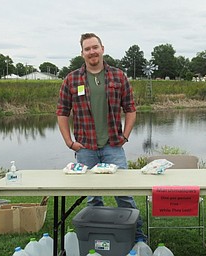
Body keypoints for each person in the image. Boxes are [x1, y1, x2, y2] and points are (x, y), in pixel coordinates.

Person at [56, 33, 146, 242]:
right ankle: (97, 237)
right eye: (87, 49)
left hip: (114, 146)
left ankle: (138, 236)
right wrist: (69, 142)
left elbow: (131, 109)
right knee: (93, 197)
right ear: (82, 53)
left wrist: (125, 135)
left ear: (102, 48)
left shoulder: (118, 76)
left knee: (124, 195)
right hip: (85, 148)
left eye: (95, 47)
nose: (92, 52)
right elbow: (62, 112)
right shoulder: (71, 79)